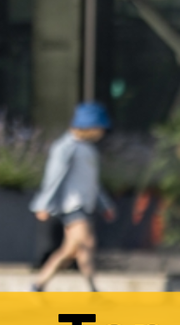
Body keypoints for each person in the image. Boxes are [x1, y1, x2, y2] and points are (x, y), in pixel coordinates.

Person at [29, 102, 117, 292]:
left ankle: (38, 285)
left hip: (85, 205)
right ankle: (93, 291)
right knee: (87, 243)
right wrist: (43, 204)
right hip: (72, 206)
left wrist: (104, 205)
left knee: (70, 252)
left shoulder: (89, 150)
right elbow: (53, 177)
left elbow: (93, 183)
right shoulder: (65, 147)